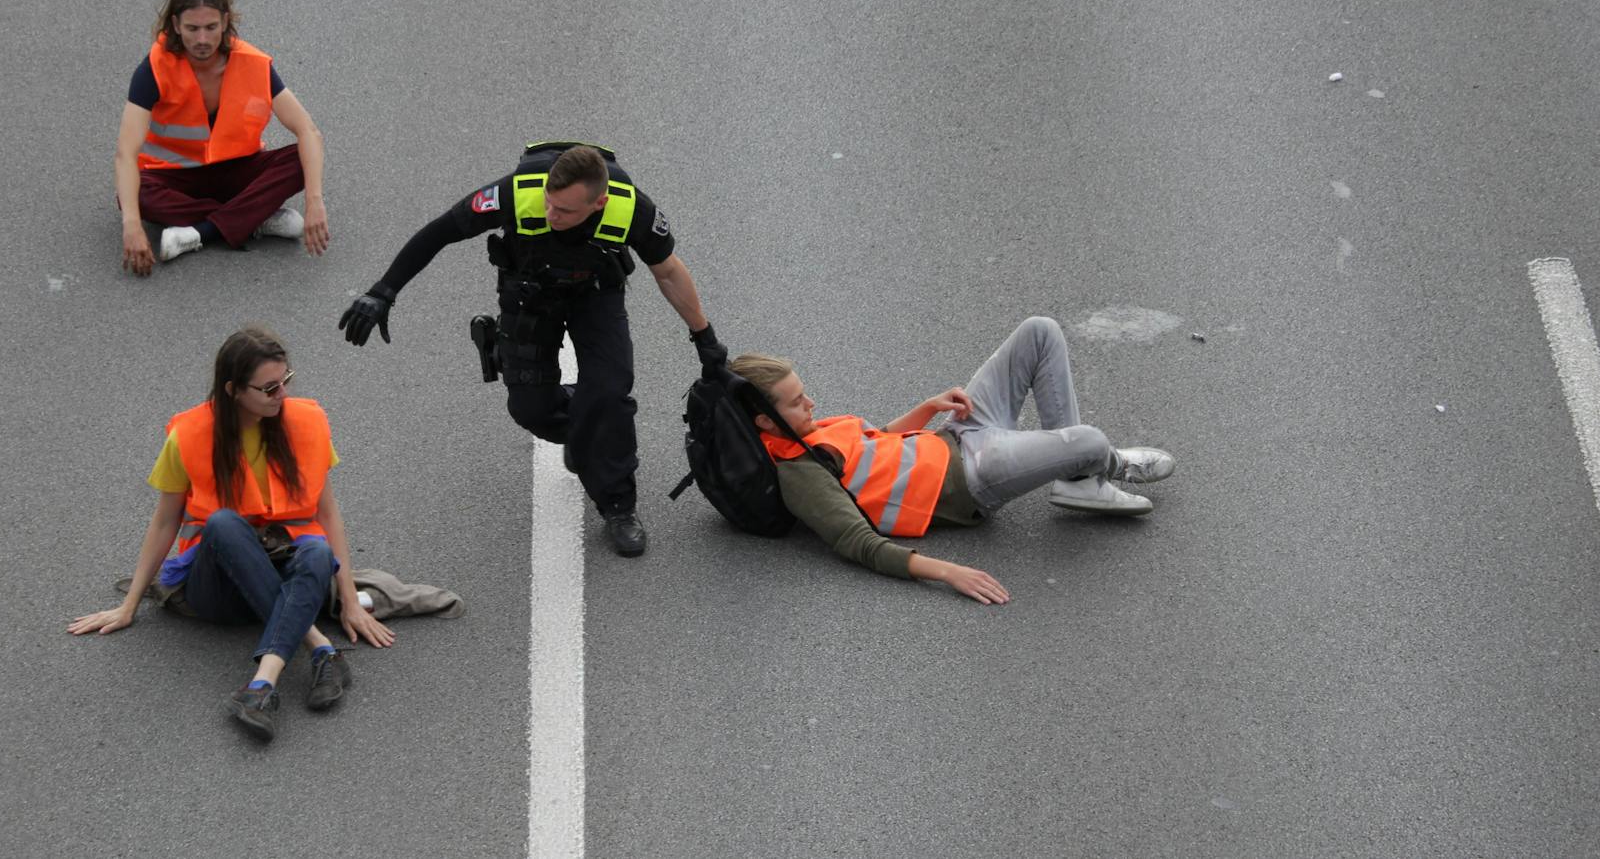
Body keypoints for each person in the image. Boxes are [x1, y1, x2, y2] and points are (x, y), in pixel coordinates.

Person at [338, 142, 725, 557]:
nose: (551, 214)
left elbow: (668, 272)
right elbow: (440, 232)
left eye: (565, 211)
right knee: (532, 410)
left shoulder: (632, 209)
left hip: (596, 294)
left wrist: (704, 337)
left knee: (609, 393)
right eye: (549, 204)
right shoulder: (517, 192)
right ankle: (586, 431)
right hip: (530, 294)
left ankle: (618, 505)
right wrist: (384, 292)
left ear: (600, 202)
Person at [69, 326, 393, 742]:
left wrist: (349, 602)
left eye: (286, 382)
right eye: (270, 388)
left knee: (315, 551)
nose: (282, 395)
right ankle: (317, 645)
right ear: (234, 390)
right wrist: (130, 604)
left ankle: (262, 684)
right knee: (222, 523)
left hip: (278, 570)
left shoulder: (308, 422)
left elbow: (328, 515)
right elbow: (165, 521)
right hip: (217, 586)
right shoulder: (188, 435)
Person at [728, 316, 1177, 604]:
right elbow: (858, 544)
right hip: (973, 477)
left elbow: (874, 443)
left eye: (803, 391)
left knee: (1039, 332)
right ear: (767, 424)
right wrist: (947, 573)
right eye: (795, 401)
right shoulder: (799, 474)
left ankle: (1078, 479)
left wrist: (927, 408)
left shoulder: (805, 432)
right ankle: (1107, 463)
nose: (810, 402)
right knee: (1089, 440)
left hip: (959, 434)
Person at [115, 0, 330, 275]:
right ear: (176, 26)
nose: (202, 40)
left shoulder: (253, 64)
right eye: (192, 29)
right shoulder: (153, 68)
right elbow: (126, 153)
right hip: (176, 176)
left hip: (237, 170)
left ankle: (199, 233)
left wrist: (314, 202)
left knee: (301, 159)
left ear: (225, 22)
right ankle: (255, 218)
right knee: (136, 196)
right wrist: (132, 226)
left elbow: (309, 131)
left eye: (211, 27)